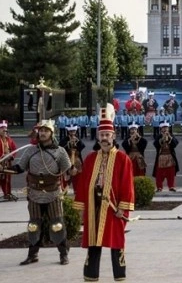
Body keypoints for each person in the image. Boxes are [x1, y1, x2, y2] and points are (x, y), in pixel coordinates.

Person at [0, 119, 72, 265]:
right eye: (40, 130)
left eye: (45, 130)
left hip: (53, 192)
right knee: (34, 225)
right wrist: (2, 169)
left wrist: (74, 172)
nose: (42, 133)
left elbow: (69, 170)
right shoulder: (31, 150)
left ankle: (63, 253)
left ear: (51, 133)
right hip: (35, 192)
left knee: (57, 225)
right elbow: (19, 168)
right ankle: (33, 255)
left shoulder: (60, 152)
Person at [73, 105, 135, 281]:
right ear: (98, 137)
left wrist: (123, 208)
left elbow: (127, 185)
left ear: (113, 136)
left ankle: (120, 277)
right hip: (94, 207)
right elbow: (83, 185)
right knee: (93, 243)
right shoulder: (91, 158)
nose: (104, 138)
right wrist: (80, 208)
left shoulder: (123, 159)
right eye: (101, 135)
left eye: (107, 135)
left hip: (113, 208)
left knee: (116, 244)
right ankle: (91, 277)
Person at [0, 120, 17, 201]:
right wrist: (2, 155)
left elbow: (14, 149)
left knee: (7, 179)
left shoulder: (9, 140)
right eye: (2, 128)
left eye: (5, 128)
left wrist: (11, 156)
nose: (4, 130)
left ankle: (7, 193)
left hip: (7, 163)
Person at [153, 121, 180, 192]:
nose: (165, 129)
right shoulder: (158, 136)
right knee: (159, 173)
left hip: (170, 156)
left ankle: (171, 186)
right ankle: (159, 187)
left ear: (168, 128)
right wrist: (162, 139)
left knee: (171, 172)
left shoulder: (171, 135)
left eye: (166, 128)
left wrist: (170, 138)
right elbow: (156, 145)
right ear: (160, 129)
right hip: (161, 157)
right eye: (163, 128)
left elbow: (175, 144)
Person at [60, 124, 85, 192]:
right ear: (68, 131)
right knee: (65, 176)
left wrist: (78, 141)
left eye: (73, 131)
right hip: (67, 159)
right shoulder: (64, 139)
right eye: (70, 131)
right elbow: (61, 148)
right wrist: (68, 143)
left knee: (78, 176)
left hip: (77, 160)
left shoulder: (78, 139)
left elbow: (82, 147)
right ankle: (63, 190)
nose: (72, 133)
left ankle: (77, 191)